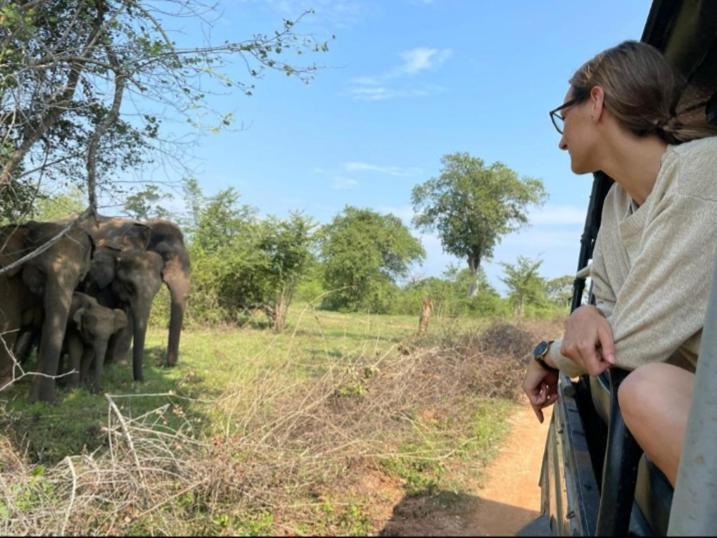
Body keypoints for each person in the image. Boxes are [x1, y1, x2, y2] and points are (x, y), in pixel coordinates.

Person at [522, 40, 717, 487]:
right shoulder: (617, 203)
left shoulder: (701, 175)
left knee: (644, 389)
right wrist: (587, 313)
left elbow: (624, 343)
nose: (560, 139)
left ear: (595, 102)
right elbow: (608, 308)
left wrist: (547, 356)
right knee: (647, 389)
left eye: (562, 114)